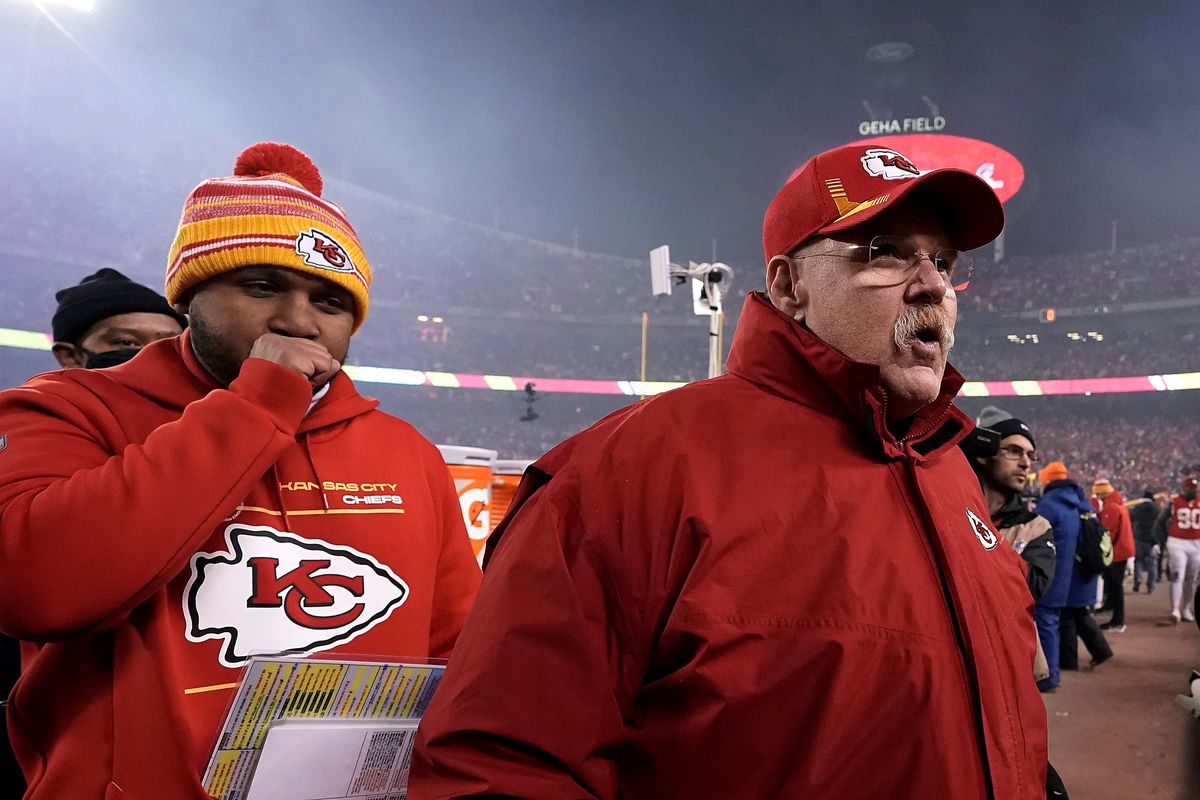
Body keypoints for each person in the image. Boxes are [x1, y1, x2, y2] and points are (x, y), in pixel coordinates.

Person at [412, 143, 1049, 798]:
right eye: (884, 252)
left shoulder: (949, 470)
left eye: (943, 262)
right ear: (789, 285)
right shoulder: (629, 469)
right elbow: (502, 764)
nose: (932, 286)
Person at [0, 142, 481, 799]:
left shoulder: (407, 453)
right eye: (261, 287)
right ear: (189, 297)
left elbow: (457, 658)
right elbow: (34, 589)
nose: (297, 321)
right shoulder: (67, 408)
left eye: (330, 302)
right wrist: (256, 406)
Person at [0, 271, 187, 799]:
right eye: (124, 342)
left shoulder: (200, 427)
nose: (147, 356)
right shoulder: (40, 420)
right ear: (70, 354)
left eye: (167, 342)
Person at [962, 406, 1055, 682]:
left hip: (1011, 665)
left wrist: (979, 536)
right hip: (953, 657)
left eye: (1030, 455)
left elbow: (1034, 588)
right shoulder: (948, 511)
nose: (1026, 463)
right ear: (983, 454)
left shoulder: (1036, 526)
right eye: (1014, 451)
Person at [1035, 461, 1112, 692]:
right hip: (1079, 575)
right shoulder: (1080, 502)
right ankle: (1065, 664)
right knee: (1070, 617)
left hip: (1057, 576)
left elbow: (1037, 541)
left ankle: (1049, 675)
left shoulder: (1050, 505)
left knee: (1048, 621)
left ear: (1047, 481)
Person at [50, 268, 188, 369]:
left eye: (170, 345)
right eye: (127, 343)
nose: (153, 355)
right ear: (70, 356)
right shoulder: (45, 400)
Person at [1092, 478, 1133, 631]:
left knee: (1116, 585)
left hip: (1117, 551)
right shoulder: (1117, 504)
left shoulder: (1111, 507)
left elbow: (1108, 533)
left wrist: (1102, 551)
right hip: (1122, 548)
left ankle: (1118, 621)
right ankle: (1109, 606)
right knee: (1111, 582)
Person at [1160, 476, 1200, 624]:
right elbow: (1161, 521)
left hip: (1196, 542)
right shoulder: (1174, 502)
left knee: (1191, 578)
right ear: (1184, 489)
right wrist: (1163, 538)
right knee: (1177, 575)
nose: (1193, 491)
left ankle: (1186, 608)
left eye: (1195, 489)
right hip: (1177, 542)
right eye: (1191, 489)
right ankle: (1175, 609)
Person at [1127, 490, 1161, 593]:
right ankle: (1150, 586)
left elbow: (1130, 521)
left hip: (1138, 538)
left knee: (1138, 561)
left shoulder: (1136, 508)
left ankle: (1138, 578)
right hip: (1152, 540)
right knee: (1152, 564)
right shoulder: (1156, 510)